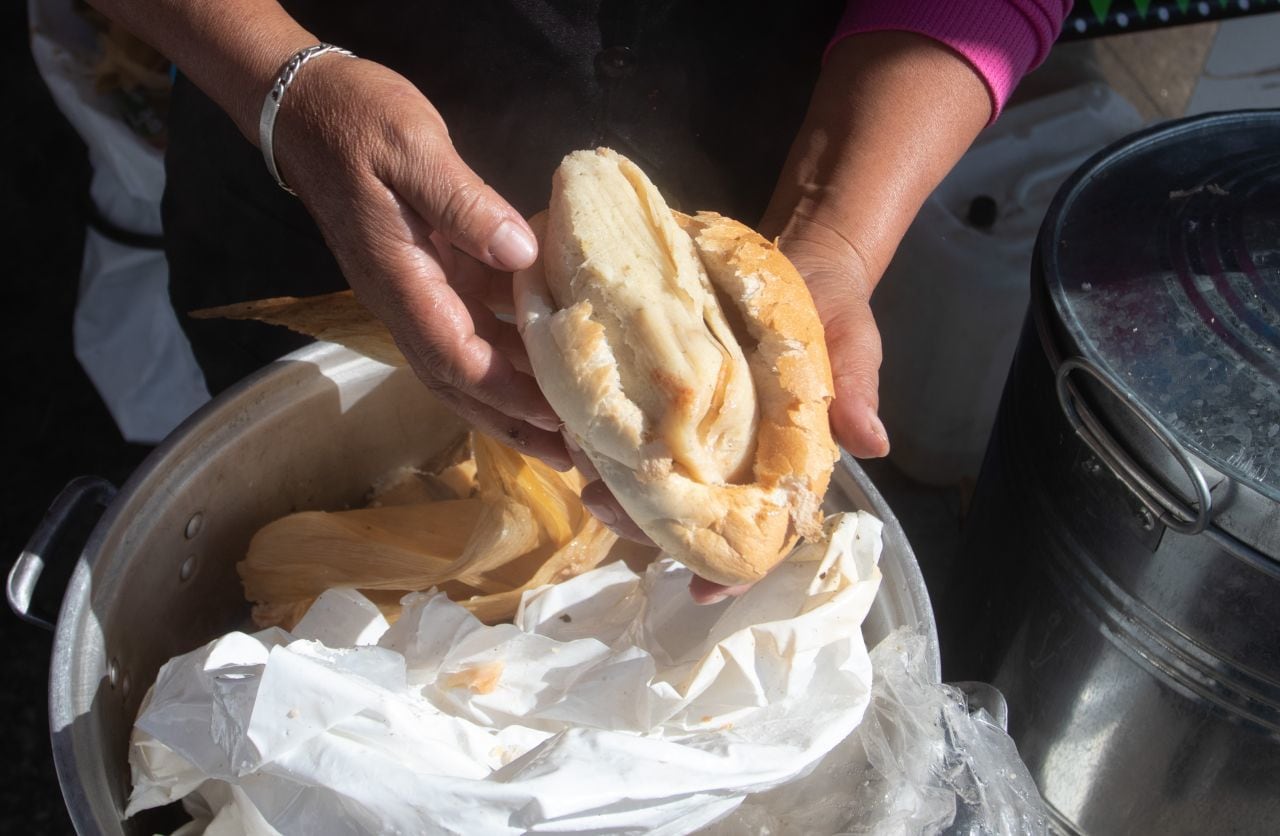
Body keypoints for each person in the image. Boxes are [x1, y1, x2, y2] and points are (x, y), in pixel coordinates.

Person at [85, 0, 1069, 599]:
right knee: (300, 490)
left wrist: (831, 232)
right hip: (312, 156)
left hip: (761, 167)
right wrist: (284, 88)